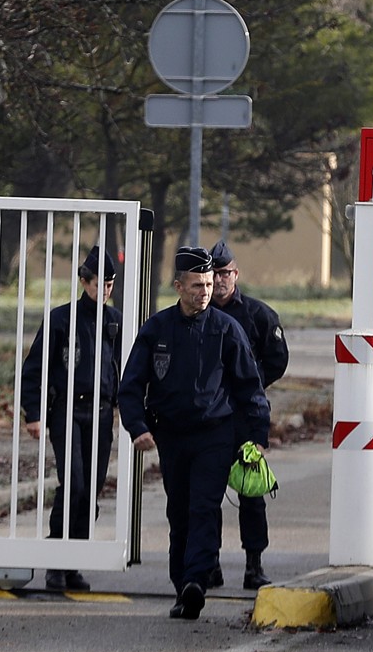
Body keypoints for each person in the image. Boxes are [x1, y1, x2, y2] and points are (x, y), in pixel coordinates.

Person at [118, 246, 270, 620]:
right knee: (180, 511)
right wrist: (137, 428)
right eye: (196, 285)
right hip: (171, 435)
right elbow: (131, 385)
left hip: (214, 435)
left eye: (208, 283)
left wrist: (257, 435)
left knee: (204, 507)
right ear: (178, 286)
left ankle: (196, 582)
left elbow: (250, 387)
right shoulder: (157, 329)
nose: (205, 291)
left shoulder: (226, 329)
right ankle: (181, 583)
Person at [20, 245, 122, 592]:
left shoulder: (115, 321)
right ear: (83, 281)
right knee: (74, 485)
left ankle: (75, 561)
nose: (105, 290)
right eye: (99, 283)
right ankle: (56, 561)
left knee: (90, 490)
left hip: (103, 411)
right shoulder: (61, 319)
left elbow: (125, 368)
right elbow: (35, 368)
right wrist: (33, 413)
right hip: (68, 410)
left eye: (110, 284)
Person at [208, 239, 290, 590]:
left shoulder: (259, 315)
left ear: (236, 274)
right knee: (207, 495)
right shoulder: (198, 313)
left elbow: (277, 360)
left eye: (224, 273)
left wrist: (251, 386)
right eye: (214, 273)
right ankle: (208, 562)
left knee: (251, 494)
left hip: (244, 418)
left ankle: (253, 564)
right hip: (209, 418)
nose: (219, 279)